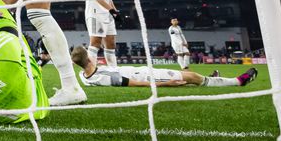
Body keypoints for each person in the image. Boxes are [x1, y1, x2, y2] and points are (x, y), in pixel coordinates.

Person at [71, 46, 256, 88]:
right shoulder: (104, 77)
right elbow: (135, 84)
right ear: (89, 59)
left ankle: (211, 77)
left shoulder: (84, 76)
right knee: (190, 77)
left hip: (142, 71)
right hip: (146, 77)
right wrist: (164, 84)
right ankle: (238, 81)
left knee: (186, 73)